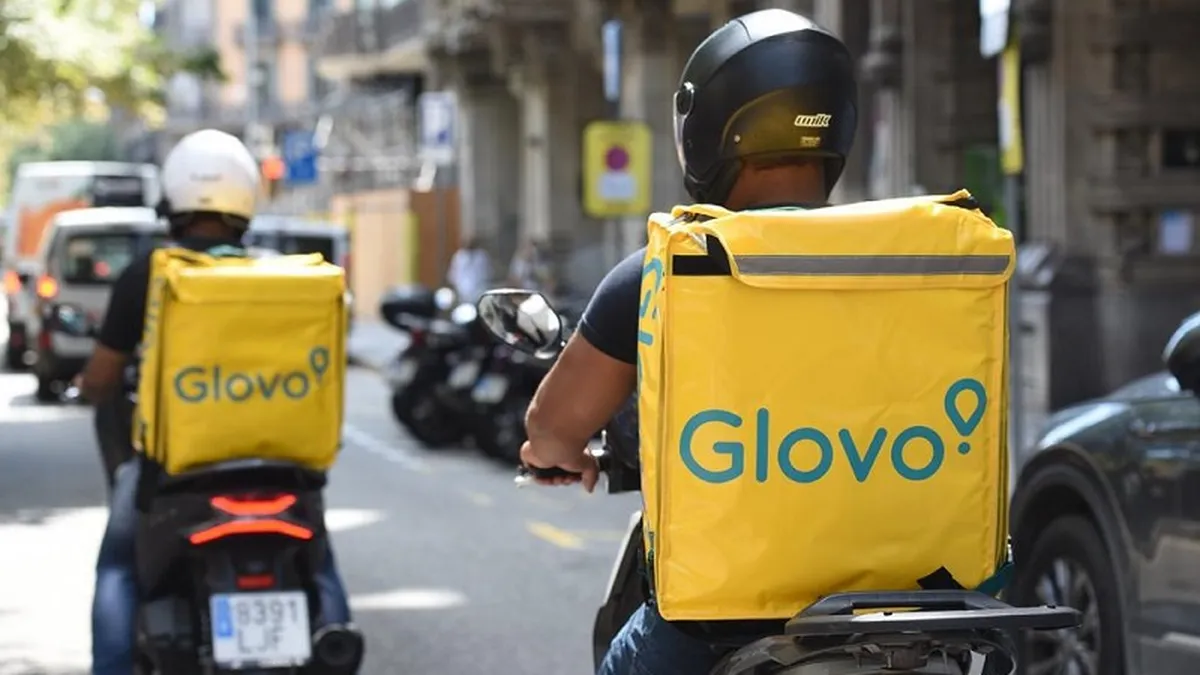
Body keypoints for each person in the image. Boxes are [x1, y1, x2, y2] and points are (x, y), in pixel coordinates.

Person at [515, 10, 859, 675]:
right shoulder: (909, 262)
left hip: (727, 615)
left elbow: (552, 427)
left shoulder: (664, 270)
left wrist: (561, 455)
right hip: (911, 603)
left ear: (706, 132)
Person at [78, 129, 353, 675]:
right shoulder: (277, 276)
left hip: (175, 473)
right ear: (246, 199)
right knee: (320, 564)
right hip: (284, 471)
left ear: (172, 200)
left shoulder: (150, 274)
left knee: (118, 569)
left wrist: (88, 388)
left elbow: (102, 377)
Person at [446, 234, 492, 302]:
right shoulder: (459, 257)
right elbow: (453, 277)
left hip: (479, 294)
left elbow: (487, 274)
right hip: (462, 295)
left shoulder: (482, 256)